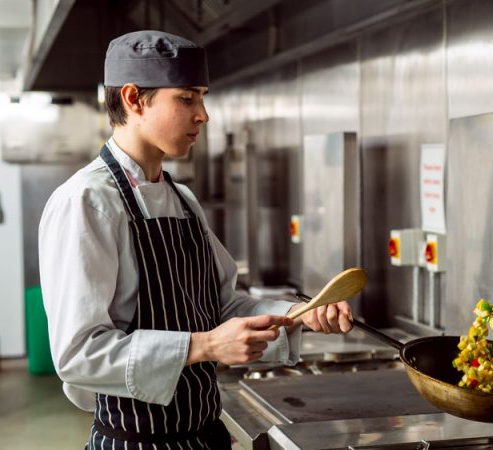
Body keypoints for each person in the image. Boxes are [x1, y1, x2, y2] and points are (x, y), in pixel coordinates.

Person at [38, 30, 353, 450]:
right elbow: (78, 356)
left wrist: (299, 313)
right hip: (137, 442)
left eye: (202, 97)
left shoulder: (181, 199)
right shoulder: (87, 202)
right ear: (133, 99)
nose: (203, 114)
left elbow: (221, 303)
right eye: (186, 98)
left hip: (204, 437)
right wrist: (205, 345)